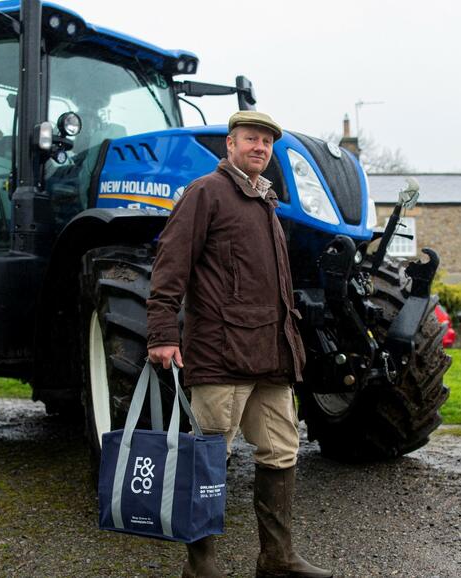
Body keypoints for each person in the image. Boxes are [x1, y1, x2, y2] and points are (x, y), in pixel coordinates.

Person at [146, 111, 332, 578]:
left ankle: (277, 559)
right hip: (221, 354)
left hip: (271, 356)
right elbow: (171, 265)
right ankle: (201, 566)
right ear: (229, 144)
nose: (260, 148)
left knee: (282, 450)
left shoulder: (265, 200)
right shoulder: (205, 192)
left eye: (267, 142)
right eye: (251, 139)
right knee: (209, 457)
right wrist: (163, 332)